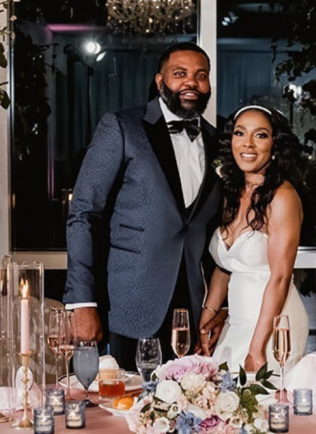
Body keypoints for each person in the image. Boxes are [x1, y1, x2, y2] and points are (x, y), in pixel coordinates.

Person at [64, 42, 226, 370]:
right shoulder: (122, 127)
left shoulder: (220, 140)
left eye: (201, 75)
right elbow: (83, 212)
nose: (191, 83)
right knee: (124, 411)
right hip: (131, 305)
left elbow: (220, 231)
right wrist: (82, 301)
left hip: (196, 311)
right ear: (159, 81)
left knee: (191, 413)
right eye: (179, 74)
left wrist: (221, 308)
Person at [200, 105, 309, 375]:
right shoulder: (232, 192)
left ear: (275, 144)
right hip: (236, 322)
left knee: (263, 407)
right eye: (240, 133)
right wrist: (209, 314)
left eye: (260, 135)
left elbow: (281, 277)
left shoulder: (282, 198)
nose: (247, 144)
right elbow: (226, 265)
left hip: (273, 326)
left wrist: (257, 347)